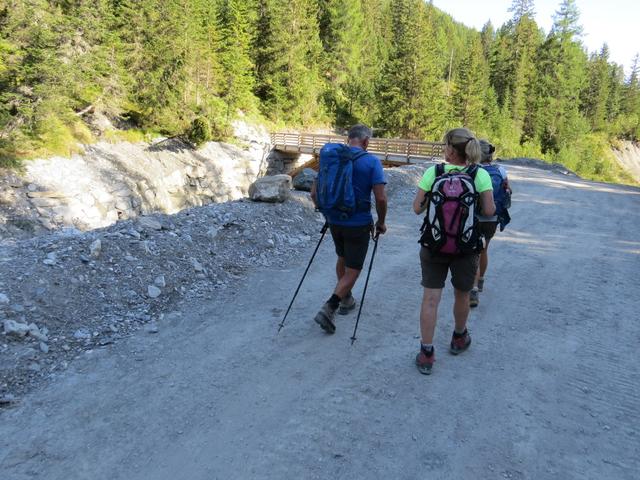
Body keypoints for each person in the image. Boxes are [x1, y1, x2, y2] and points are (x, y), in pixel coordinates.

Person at [412, 128, 495, 375]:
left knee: (430, 299)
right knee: (461, 295)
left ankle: (426, 353)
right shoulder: (479, 174)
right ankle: (459, 337)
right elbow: (489, 211)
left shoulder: (433, 172)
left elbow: (417, 208)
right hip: (466, 247)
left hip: (433, 244)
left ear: (449, 148)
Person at [310, 124, 387, 334]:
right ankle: (331, 306)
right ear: (366, 142)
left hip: (334, 220)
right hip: (358, 222)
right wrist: (381, 222)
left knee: (342, 258)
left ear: (348, 139)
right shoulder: (371, 161)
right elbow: (380, 197)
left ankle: (346, 299)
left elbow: (314, 193)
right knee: (354, 269)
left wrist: (326, 212)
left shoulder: (332, 159)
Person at [470, 140, 512, 307]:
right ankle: (480, 280)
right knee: (484, 249)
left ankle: (473, 290)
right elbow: (508, 191)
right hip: (493, 217)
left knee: (473, 252)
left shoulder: (474, 171)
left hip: (474, 217)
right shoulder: (501, 170)